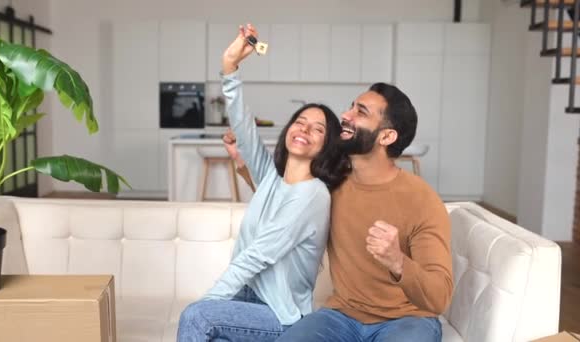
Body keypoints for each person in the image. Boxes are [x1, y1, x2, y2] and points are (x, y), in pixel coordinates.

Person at [226, 67, 453, 342]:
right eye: (351, 107)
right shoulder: (332, 182)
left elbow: (439, 296)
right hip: (341, 315)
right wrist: (243, 165)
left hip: (408, 320)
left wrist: (398, 261)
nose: (345, 116)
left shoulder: (422, 200)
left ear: (386, 136)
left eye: (361, 112)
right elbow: (288, 199)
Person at [176, 24, 349, 342]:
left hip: (280, 315)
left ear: (327, 145)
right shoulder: (272, 178)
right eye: (300, 122)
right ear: (289, 130)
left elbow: (258, 255)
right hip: (248, 297)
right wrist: (230, 67)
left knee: (198, 317)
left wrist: (208, 303)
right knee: (205, 323)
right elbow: (243, 126)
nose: (304, 130)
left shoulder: (313, 195)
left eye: (317, 129)